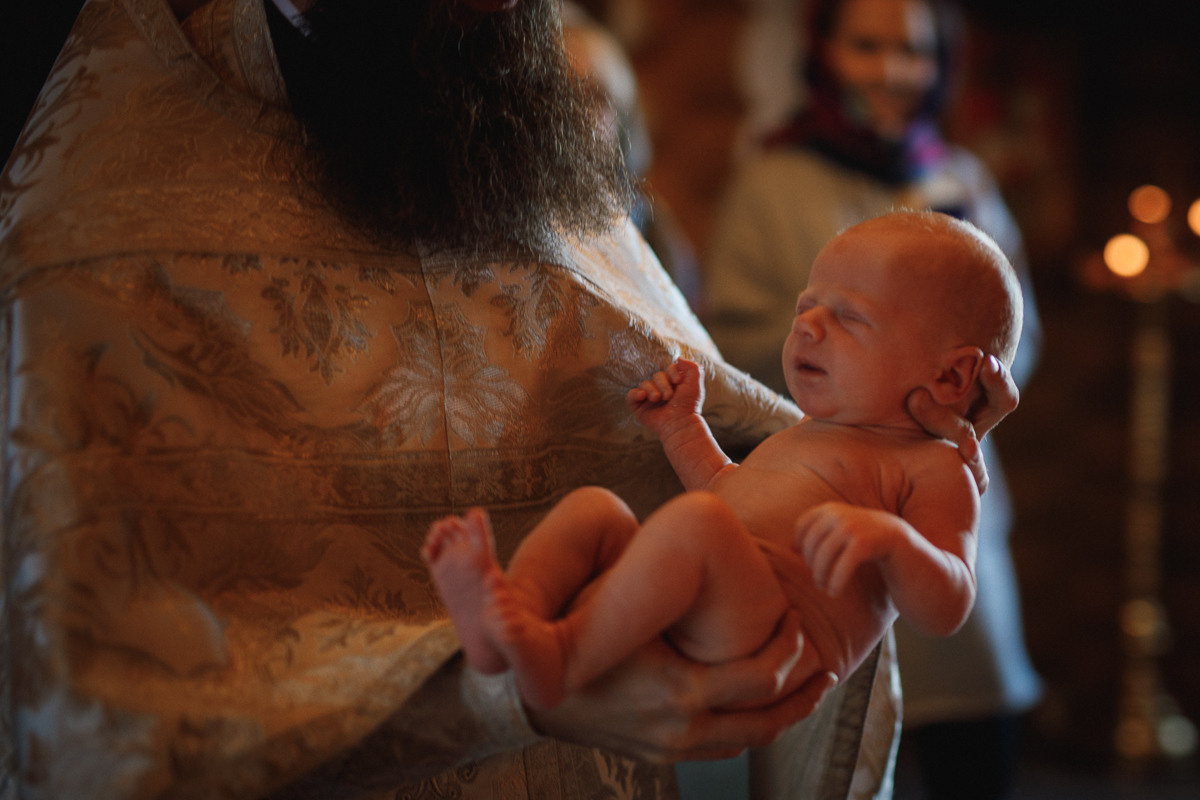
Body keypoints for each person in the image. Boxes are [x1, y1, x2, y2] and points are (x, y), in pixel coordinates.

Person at [0, 0, 1015, 798]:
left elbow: (780, 460)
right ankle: (527, 642)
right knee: (609, 525)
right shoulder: (91, 158)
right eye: (813, 306)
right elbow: (96, 659)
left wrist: (925, 436)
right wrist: (484, 694)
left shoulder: (503, 116)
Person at [423, 210, 1019, 721]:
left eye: (849, 317)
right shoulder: (810, 436)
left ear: (950, 377)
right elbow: (728, 491)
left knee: (698, 524)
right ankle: (511, 623)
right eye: (806, 307)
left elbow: (949, 605)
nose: (807, 326)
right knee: (596, 510)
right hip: (720, 590)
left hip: (774, 633)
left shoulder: (935, 467)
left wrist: (893, 542)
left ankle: (561, 657)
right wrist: (684, 428)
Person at [703, 0, 1043, 797]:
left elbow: (1017, 328)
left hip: (938, 489)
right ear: (822, 52)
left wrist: (965, 390)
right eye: (868, 46)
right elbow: (735, 332)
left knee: (972, 740)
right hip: (821, 502)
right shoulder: (772, 179)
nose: (895, 71)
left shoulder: (962, 178)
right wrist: (858, 355)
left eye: (914, 52)